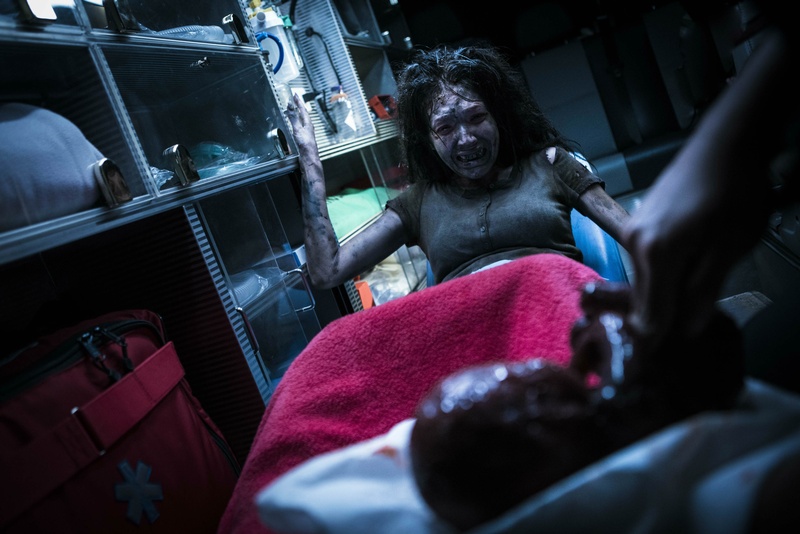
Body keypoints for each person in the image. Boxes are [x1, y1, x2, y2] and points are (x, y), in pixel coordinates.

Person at [284, 45, 631, 288]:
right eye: (446, 127)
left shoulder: (550, 165)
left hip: (557, 316)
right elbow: (328, 272)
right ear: (428, 140)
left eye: (477, 117)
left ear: (499, 117)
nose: (466, 139)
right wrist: (309, 157)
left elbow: (637, 236)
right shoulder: (419, 202)